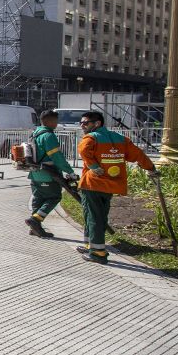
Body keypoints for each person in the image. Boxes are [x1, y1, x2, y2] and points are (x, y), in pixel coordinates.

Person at [76, 110, 159, 264]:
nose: (82, 125)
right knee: (98, 215)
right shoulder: (120, 139)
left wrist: (93, 165)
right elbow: (138, 154)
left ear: (97, 124)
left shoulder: (90, 138)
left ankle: (98, 252)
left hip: (93, 184)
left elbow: (82, 149)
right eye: (81, 122)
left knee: (93, 217)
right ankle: (89, 244)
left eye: (85, 122)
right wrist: (151, 168)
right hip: (110, 185)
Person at [24, 110, 77, 238]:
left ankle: (35, 227)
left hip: (35, 173)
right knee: (54, 197)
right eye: (55, 121)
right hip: (48, 174)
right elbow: (57, 157)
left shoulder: (35, 133)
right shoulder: (48, 136)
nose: (56, 124)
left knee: (38, 199)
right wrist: (70, 171)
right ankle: (35, 220)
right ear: (48, 121)